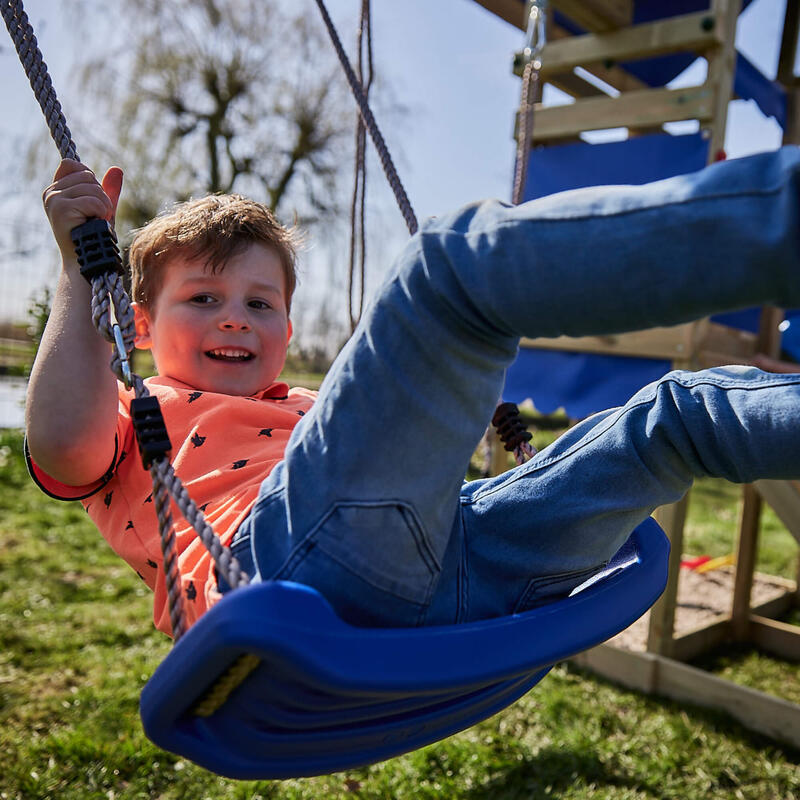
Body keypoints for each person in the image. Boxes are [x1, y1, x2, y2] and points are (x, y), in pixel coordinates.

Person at [26, 147, 800, 637]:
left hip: (466, 564)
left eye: (261, 303)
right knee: (446, 267)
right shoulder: (131, 410)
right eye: (203, 298)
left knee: (677, 414)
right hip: (273, 581)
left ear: (287, 332)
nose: (236, 318)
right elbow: (63, 446)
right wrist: (76, 272)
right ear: (137, 328)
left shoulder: (307, 413)